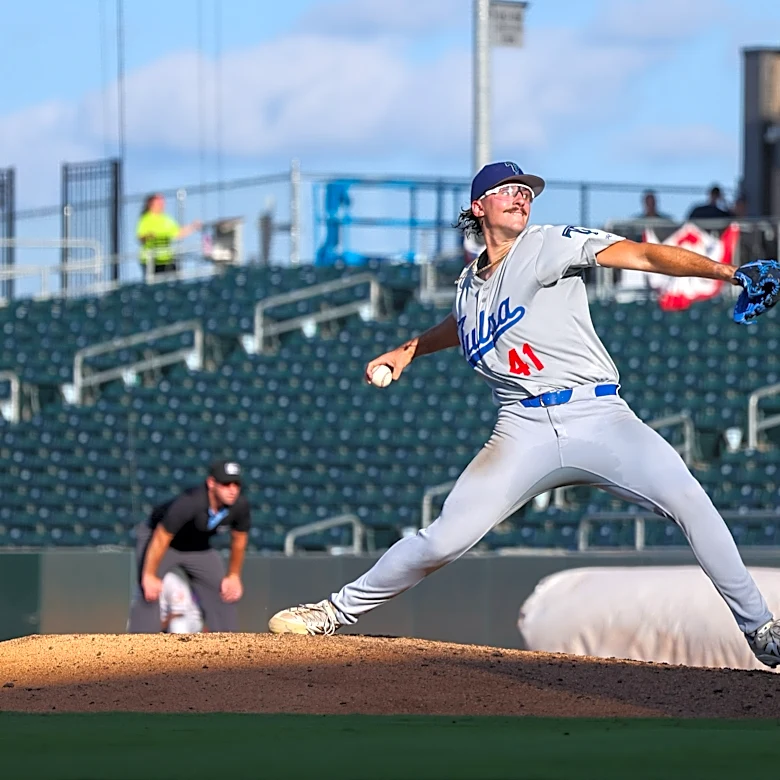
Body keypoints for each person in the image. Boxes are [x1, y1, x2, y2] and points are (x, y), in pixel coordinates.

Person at [268, 160, 780, 668]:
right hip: (521, 428)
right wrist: (408, 350)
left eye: (526, 192)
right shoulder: (468, 285)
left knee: (691, 501)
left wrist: (730, 273)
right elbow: (459, 324)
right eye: (508, 190)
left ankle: (760, 629)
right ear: (478, 206)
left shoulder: (549, 243)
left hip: (598, 414)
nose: (521, 197)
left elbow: (643, 254)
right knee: (440, 541)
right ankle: (331, 612)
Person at [128, 459, 250, 633]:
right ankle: (140, 645)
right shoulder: (191, 502)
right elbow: (162, 537)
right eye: (226, 484)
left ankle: (230, 645)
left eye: (236, 484)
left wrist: (233, 575)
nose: (232, 490)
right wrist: (149, 575)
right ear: (211, 483)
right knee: (149, 591)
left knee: (224, 590)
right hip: (162, 542)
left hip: (197, 546)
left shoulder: (239, 505)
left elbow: (239, 539)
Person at [136, 193, 202, 276]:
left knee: (176, 276)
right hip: (151, 260)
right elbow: (140, 237)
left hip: (166, 259)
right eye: (159, 202)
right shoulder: (145, 219)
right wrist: (149, 236)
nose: (162, 205)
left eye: (162, 202)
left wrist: (193, 227)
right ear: (151, 204)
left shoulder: (166, 219)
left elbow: (178, 233)